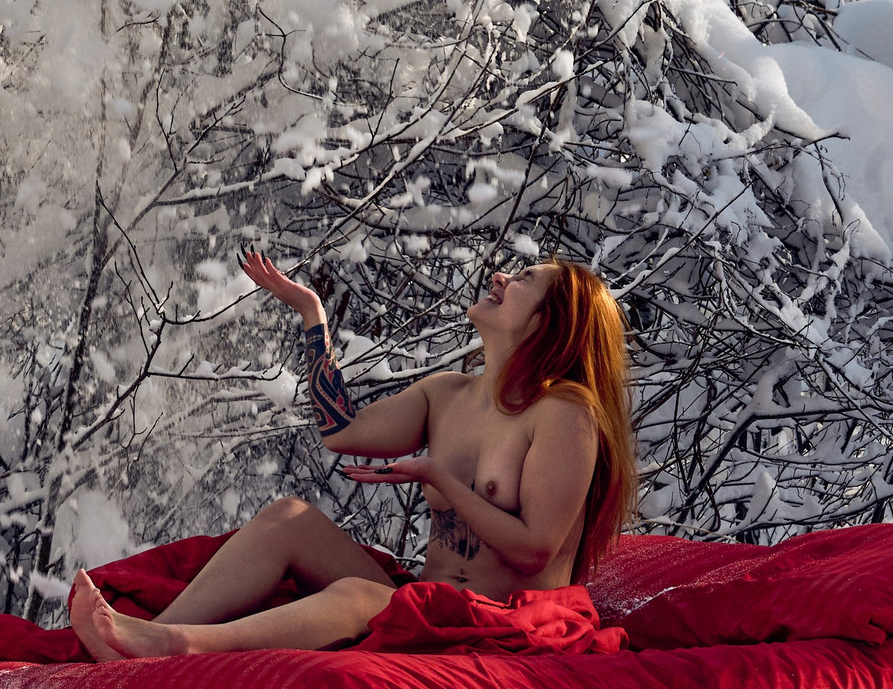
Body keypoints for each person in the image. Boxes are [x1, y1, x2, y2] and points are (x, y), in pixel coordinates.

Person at [66, 248, 636, 661]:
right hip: (429, 603)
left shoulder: (565, 414)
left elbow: (535, 550)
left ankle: (180, 645)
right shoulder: (446, 394)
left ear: (551, 321)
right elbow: (341, 430)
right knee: (288, 518)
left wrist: (437, 476)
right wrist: (313, 317)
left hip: (505, 626)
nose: (501, 275)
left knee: (358, 596)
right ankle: (136, 640)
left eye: (525, 278)